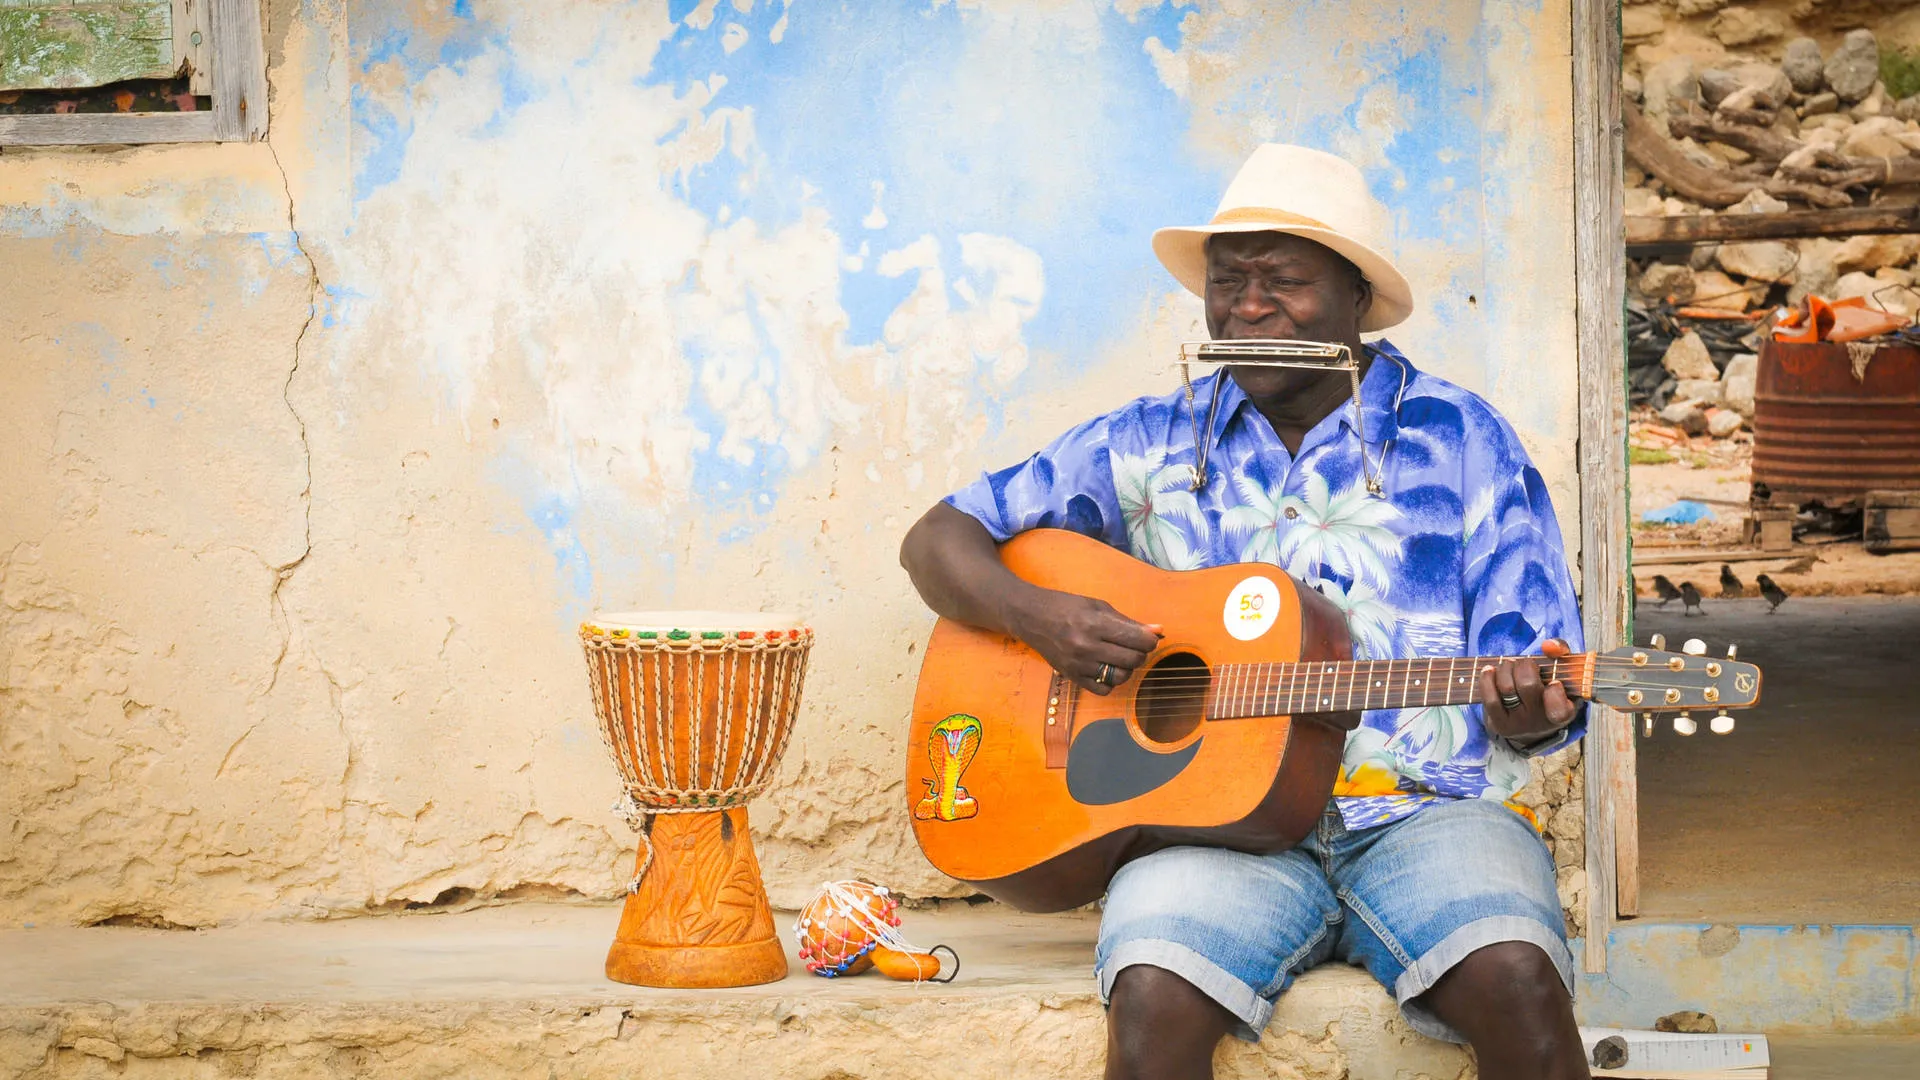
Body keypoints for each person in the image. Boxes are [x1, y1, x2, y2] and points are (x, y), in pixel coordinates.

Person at [898, 144, 1590, 1080]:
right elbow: (938, 539)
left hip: (1430, 819)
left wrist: (1531, 710)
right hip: (1210, 834)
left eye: (1285, 282)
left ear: (1356, 298)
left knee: (1517, 979)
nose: (1249, 308)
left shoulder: (1462, 440)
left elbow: (1537, 679)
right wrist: (1040, 617)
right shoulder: (1148, 438)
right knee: (1153, 995)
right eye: (1227, 282)